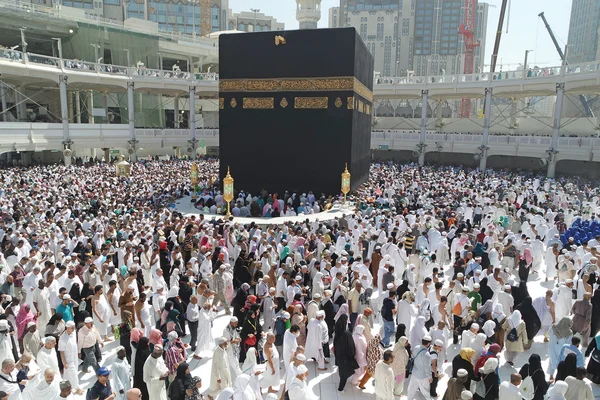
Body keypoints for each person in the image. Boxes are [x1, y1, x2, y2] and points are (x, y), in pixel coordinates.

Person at [333, 314, 358, 392]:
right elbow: (351, 347)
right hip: (345, 357)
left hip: (339, 355)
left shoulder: (337, 332)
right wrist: (352, 354)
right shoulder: (347, 334)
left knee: (342, 370)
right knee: (344, 374)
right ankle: (340, 389)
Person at [58, 321, 83, 394]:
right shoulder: (63, 338)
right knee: (73, 373)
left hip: (74, 357)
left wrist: (78, 352)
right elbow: (61, 352)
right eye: (71, 328)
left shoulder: (74, 333)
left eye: (73, 327)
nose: (73, 329)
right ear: (67, 328)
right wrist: (64, 362)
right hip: (68, 359)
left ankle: (67, 386)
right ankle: (77, 388)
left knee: (70, 373)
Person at [406, 336, 433, 400]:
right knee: (425, 391)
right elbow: (427, 368)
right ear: (428, 344)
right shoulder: (427, 354)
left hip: (414, 373)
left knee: (411, 389)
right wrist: (430, 377)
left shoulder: (416, 347)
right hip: (422, 376)